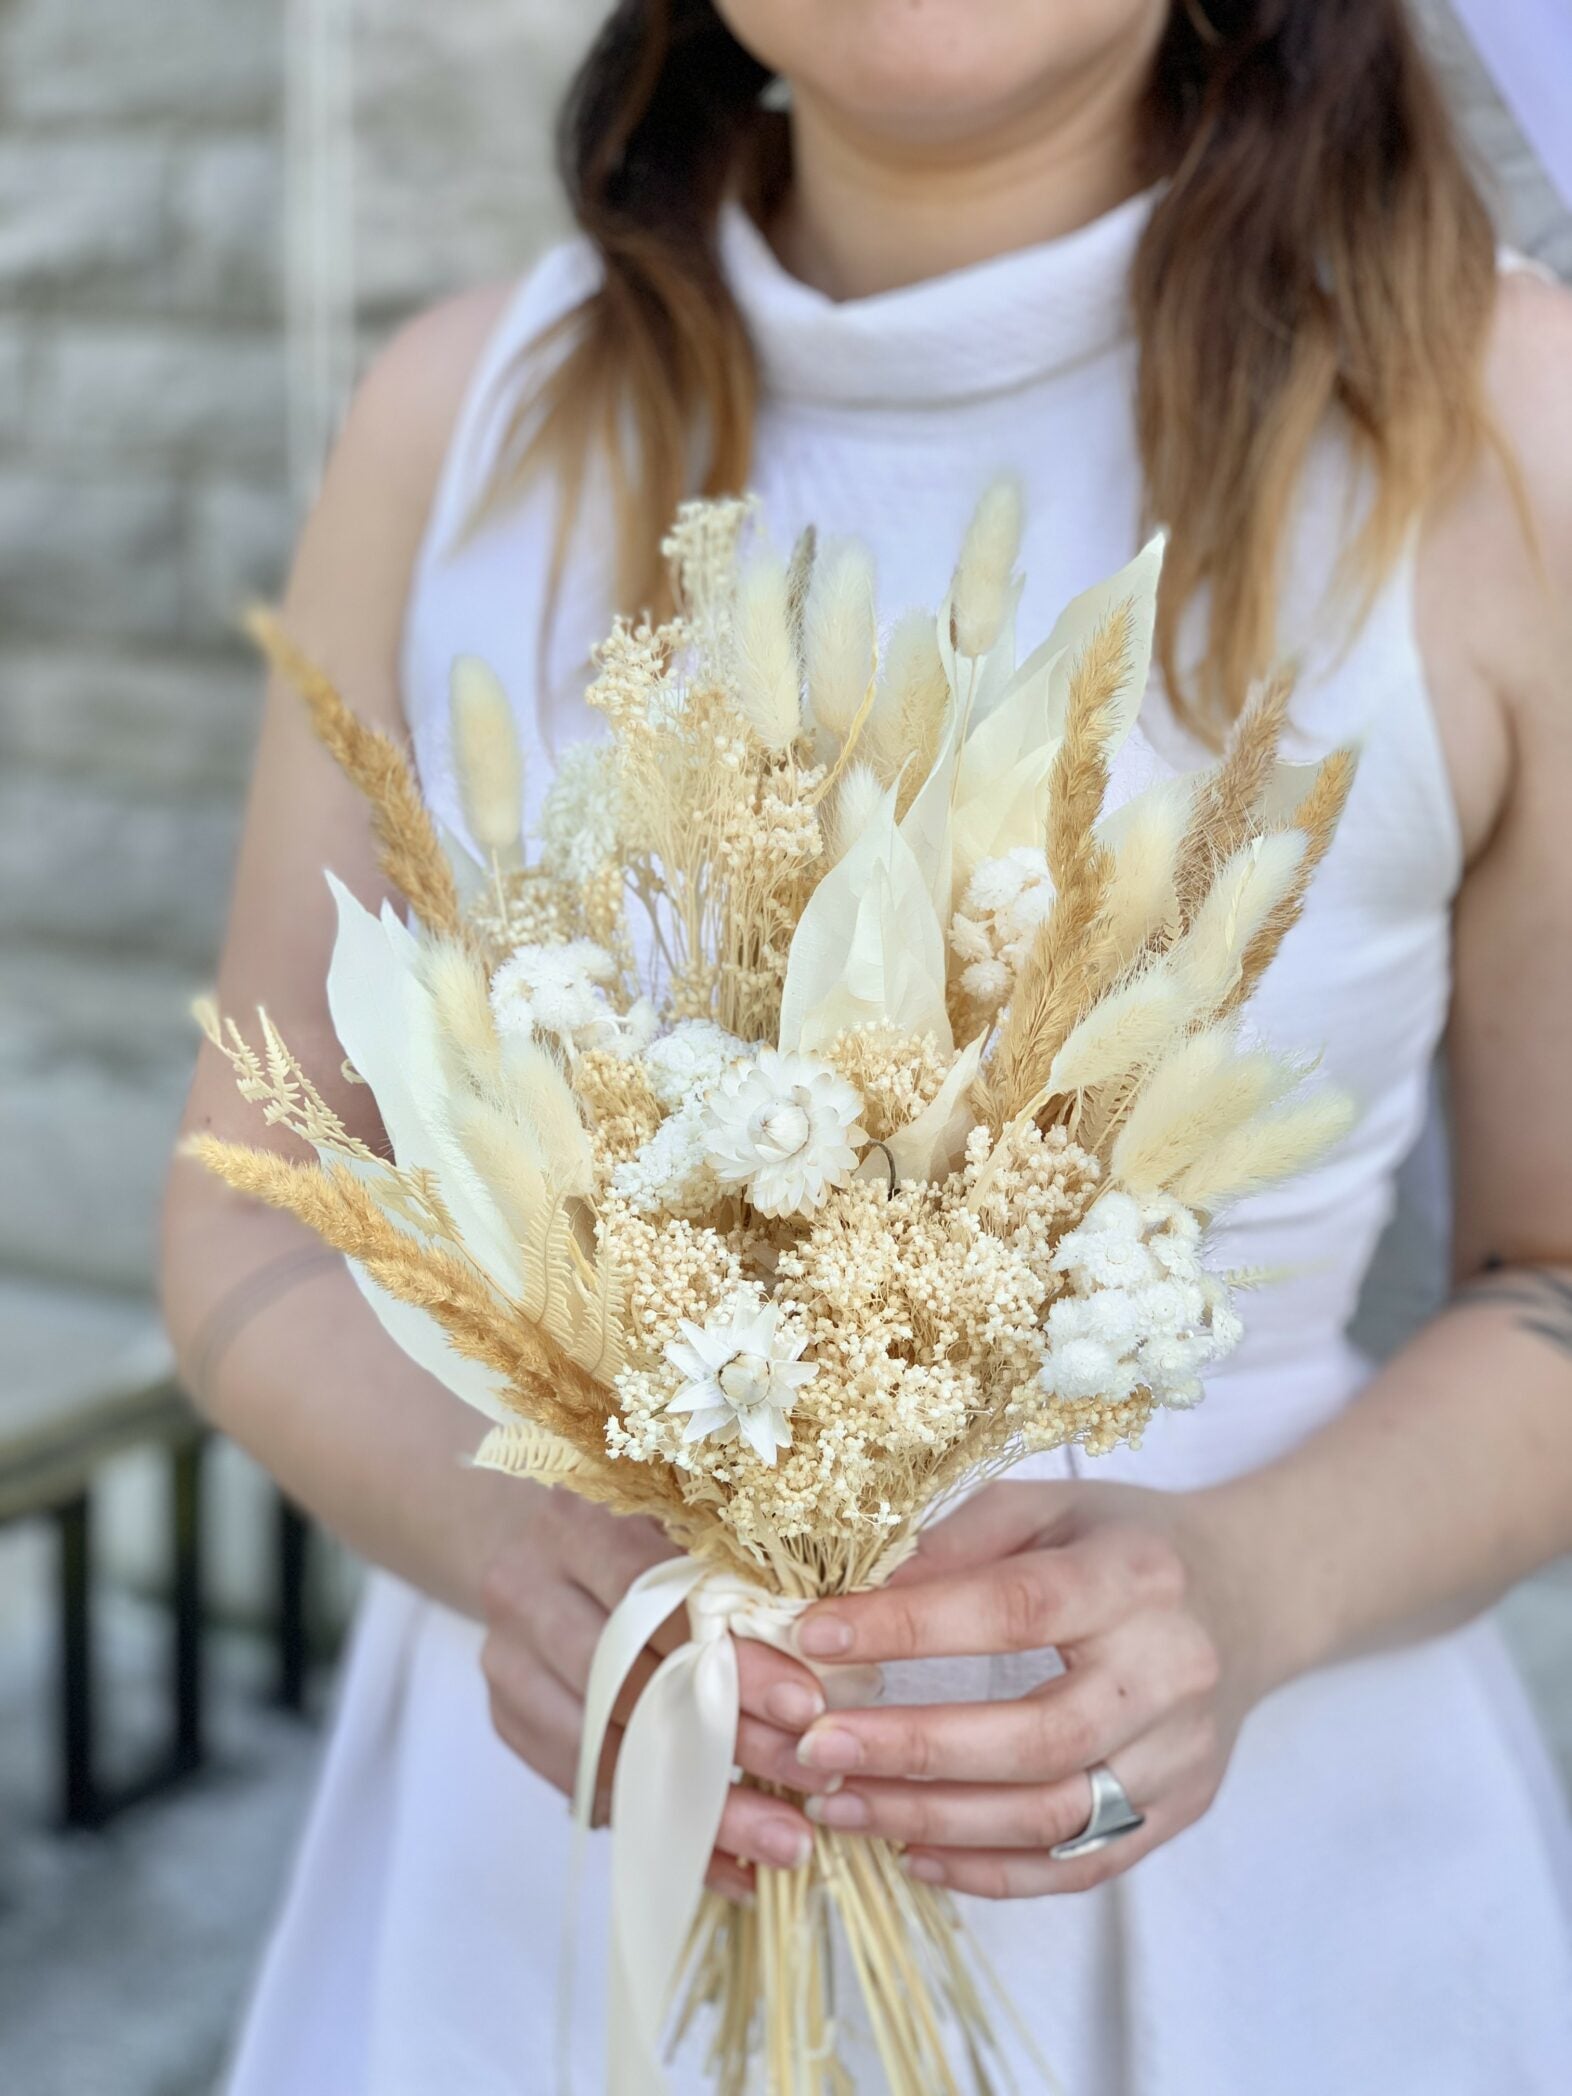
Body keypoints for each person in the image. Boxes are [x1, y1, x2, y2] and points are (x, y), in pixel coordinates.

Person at [161, 2, 1572, 2089]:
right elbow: (251, 1202)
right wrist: (514, 1550)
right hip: (556, 1874)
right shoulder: (458, 417)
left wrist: (1254, 1591)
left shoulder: (1507, 421)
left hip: (1243, 1899)